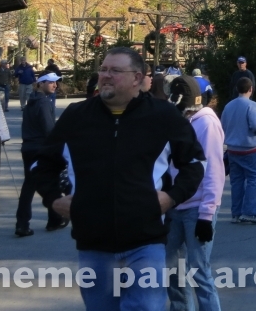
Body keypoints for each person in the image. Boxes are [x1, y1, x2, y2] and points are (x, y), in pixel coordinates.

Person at [33, 47, 206, 311]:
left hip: (146, 242)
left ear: (137, 78)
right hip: (93, 245)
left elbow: (194, 163)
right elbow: (41, 164)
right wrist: (53, 199)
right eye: (103, 69)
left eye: (115, 70)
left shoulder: (163, 116)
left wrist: (172, 197)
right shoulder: (77, 116)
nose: (105, 75)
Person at [165, 76, 225, 311]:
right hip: (174, 204)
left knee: (199, 270)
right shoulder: (179, 121)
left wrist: (206, 215)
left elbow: (214, 171)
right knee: (172, 269)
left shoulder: (207, 124)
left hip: (197, 208)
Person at [15, 73, 66, 236]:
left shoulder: (32, 101)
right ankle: (53, 220)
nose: (55, 85)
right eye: (51, 82)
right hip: (40, 148)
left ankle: (22, 224)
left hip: (28, 147)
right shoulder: (43, 102)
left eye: (56, 83)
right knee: (51, 182)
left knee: (29, 186)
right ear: (41, 84)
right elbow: (49, 129)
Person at [220, 76, 256, 224]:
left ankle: (236, 213)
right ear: (251, 89)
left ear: (236, 89)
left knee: (236, 181)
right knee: (253, 178)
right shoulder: (252, 105)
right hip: (250, 148)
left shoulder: (228, 106)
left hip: (233, 149)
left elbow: (223, 125)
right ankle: (249, 212)